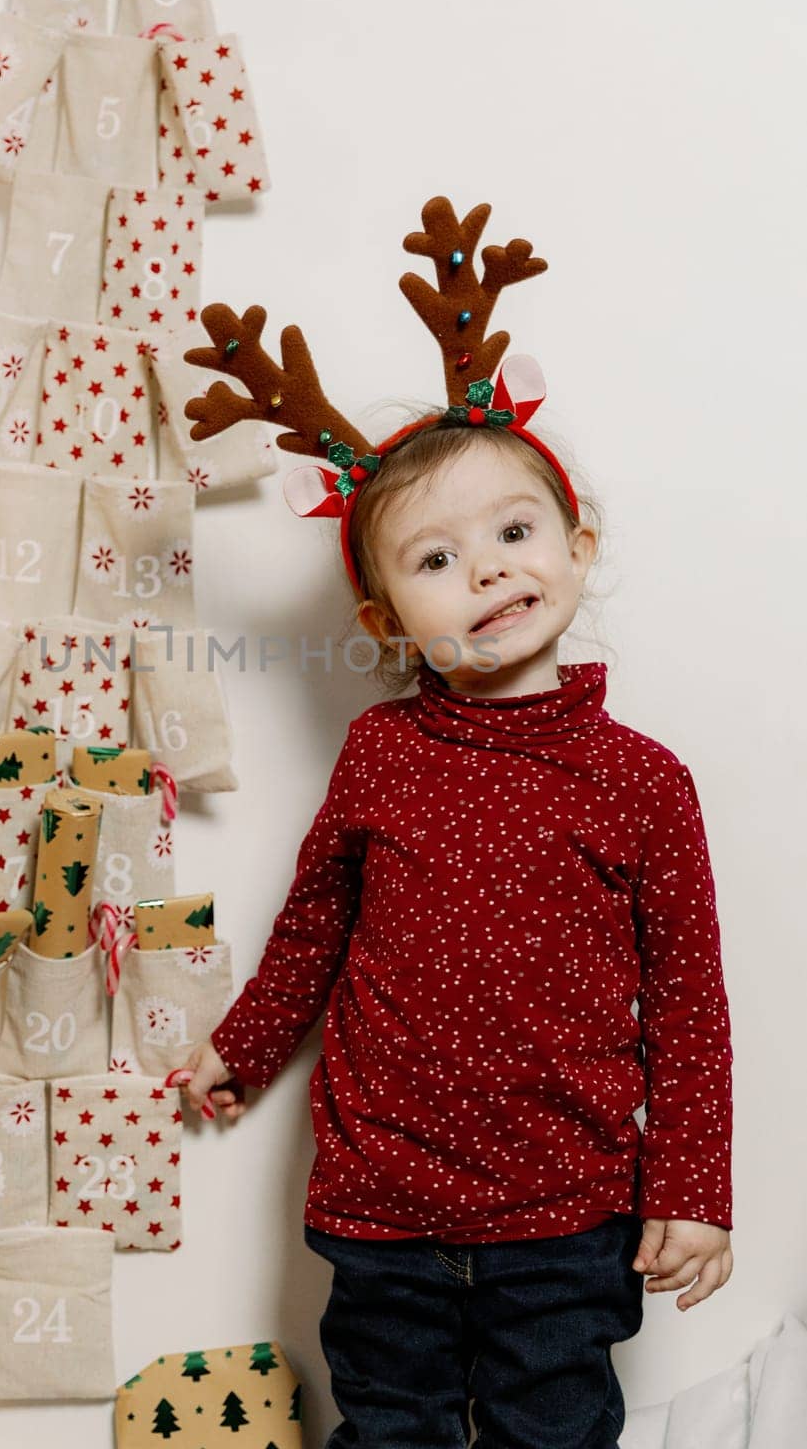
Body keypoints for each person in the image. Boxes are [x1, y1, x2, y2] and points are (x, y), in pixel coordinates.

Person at [172, 198, 734, 1448]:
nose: (483, 570)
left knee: (554, 1430)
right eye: (433, 560)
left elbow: (689, 1001)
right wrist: (246, 1043)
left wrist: (691, 1190)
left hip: (567, 1211)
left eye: (514, 532)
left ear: (576, 549)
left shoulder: (642, 780)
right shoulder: (382, 752)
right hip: (381, 1207)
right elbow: (315, 919)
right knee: (389, 1429)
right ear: (383, 623)